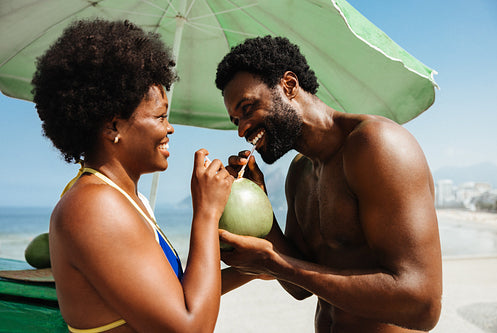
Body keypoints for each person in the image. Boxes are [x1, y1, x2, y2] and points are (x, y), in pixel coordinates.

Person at [215, 35, 442, 332]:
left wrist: (273, 263)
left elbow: (422, 306)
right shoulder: (299, 172)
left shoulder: (376, 145)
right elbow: (300, 287)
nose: (242, 129)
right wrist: (264, 214)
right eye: (236, 120)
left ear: (289, 85)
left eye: (247, 108)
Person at [32, 19, 233, 333]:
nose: (169, 129)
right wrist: (206, 213)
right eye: (160, 116)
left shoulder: (124, 198)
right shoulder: (94, 207)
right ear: (113, 127)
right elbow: (189, 328)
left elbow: (176, 298)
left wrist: (259, 267)